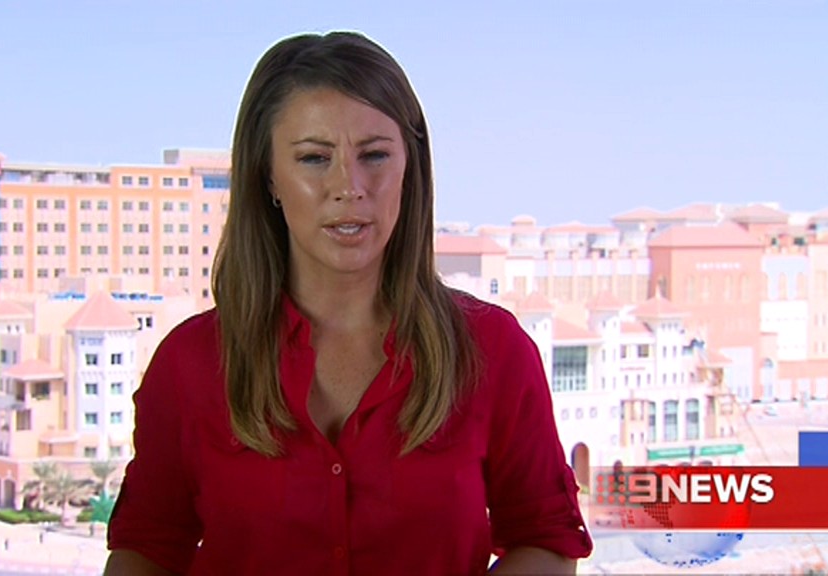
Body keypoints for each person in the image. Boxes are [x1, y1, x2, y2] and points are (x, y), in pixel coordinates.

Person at [104, 31, 593, 576]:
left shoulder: (494, 349)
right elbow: (146, 546)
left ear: (410, 168)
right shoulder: (189, 363)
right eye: (315, 158)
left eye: (374, 155)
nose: (349, 186)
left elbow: (545, 539)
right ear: (269, 176)